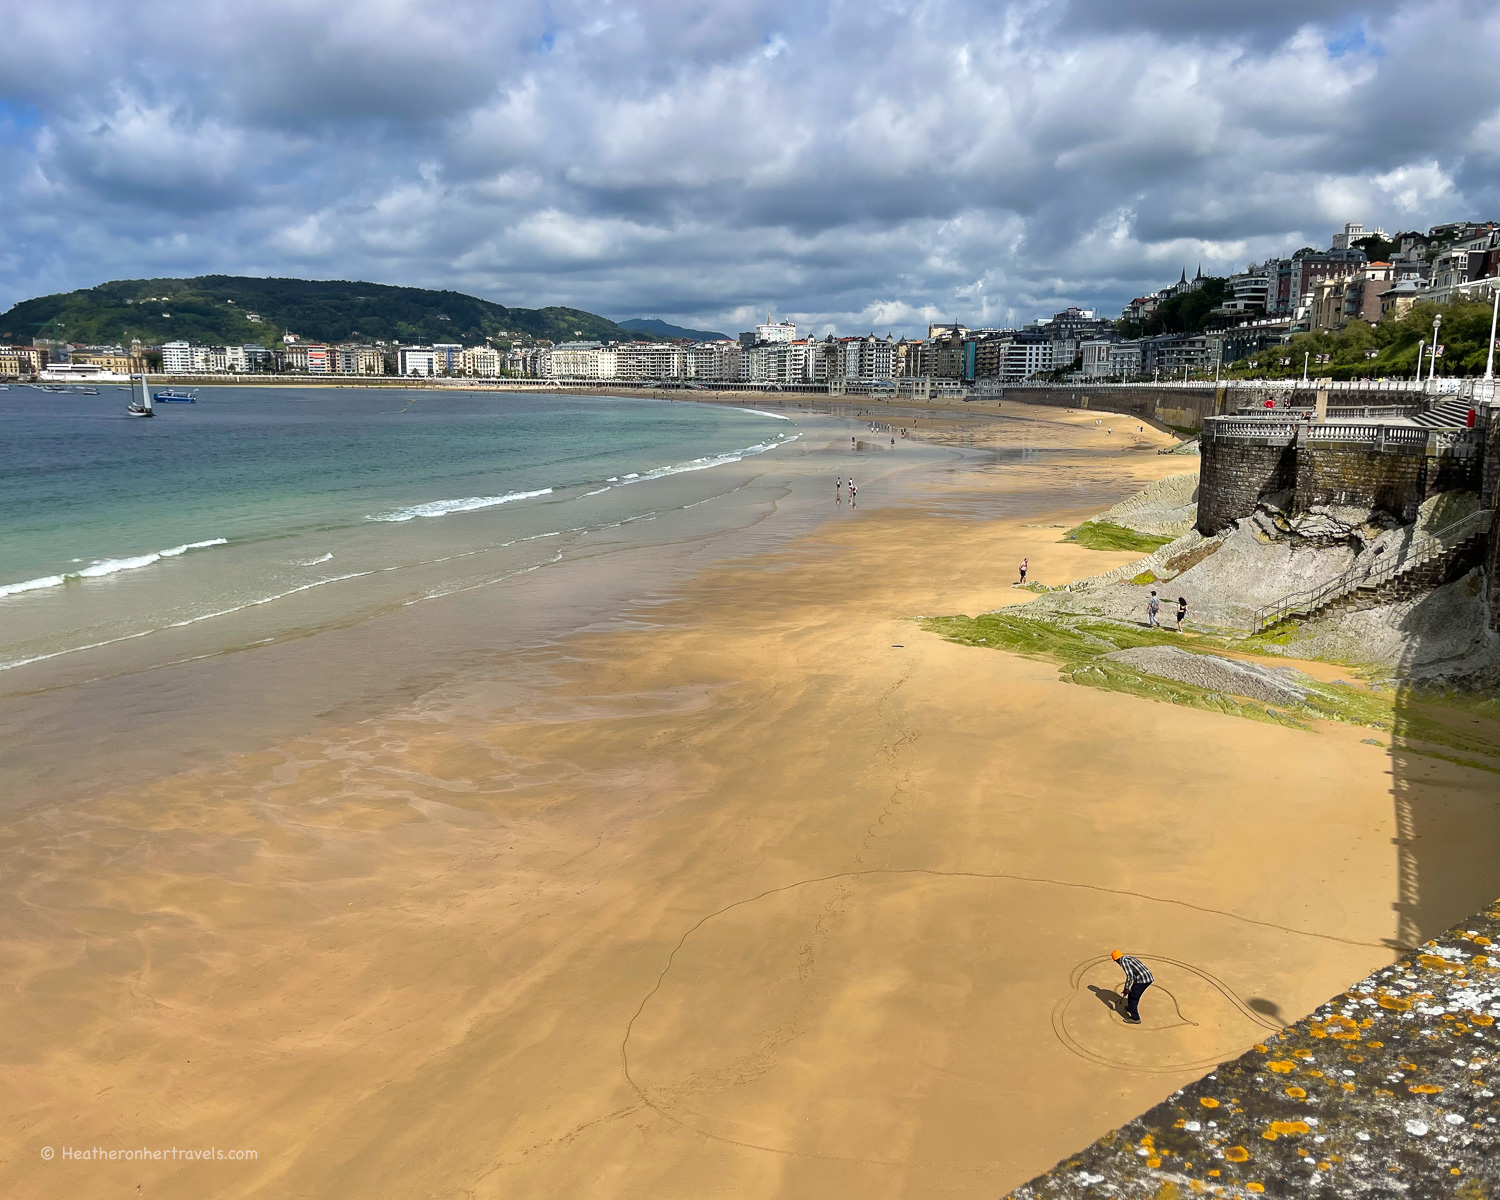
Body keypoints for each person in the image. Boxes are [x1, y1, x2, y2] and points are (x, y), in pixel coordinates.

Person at [1112, 950, 1154, 1023]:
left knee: (1133, 997)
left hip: (1142, 980)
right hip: (1147, 976)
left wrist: (1126, 988)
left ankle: (1135, 1018)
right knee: (1134, 994)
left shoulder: (1123, 962)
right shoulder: (1128, 957)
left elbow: (1130, 976)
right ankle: (1131, 1008)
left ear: (1117, 960)